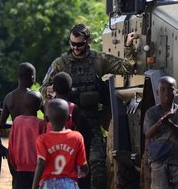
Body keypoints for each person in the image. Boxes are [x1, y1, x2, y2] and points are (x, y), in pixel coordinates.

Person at [40, 23, 135, 188]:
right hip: (67, 123)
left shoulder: (98, 60)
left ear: (88, 41)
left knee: (97, 165)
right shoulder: (60, 63)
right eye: (72, 44)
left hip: (91, 122)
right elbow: (43, 88)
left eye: (80, 44)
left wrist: (127, 45)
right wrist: (49, 91)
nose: (76, 48)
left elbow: (127, 66)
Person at [143, 76, 178, 189]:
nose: (167, 93)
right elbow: (148, 134)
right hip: (158, 162)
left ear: (176, 92)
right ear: (157, 93)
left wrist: (169, 122)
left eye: (171, 89)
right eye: (162, 90)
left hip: (177, 162)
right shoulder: (152, 112)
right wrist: (161, 121)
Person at [46, 71, 92, 187]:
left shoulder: (49, 107)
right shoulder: (73, 109)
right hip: (71, 158)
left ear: (54, 88)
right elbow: (86, 133)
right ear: (70, 88)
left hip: (52, 158)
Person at [32, 98, 89, 189]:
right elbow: (82, 164)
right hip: (70, 184)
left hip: (48, 183)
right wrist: (86, 170)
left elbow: (41, 163)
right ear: (69, 118)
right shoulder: (77, 137)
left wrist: (34, 187)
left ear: (47, 118)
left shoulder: (42, 139)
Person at [8, 91, 46, 189]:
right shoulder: (41, 124)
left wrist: (14, 170)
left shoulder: (17, 121)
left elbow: (11, 148)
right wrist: (44, 109)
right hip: (38, 170)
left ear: (23, 105)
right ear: (39, 107)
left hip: (20, 169)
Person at [0, 62, 36, 127]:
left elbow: (2, 123)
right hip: (32, 135)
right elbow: (48, 117)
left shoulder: (8, 97)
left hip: (16, 136)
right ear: (32, 77)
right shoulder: (34, 96)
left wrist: (16, 126)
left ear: (18, 77)